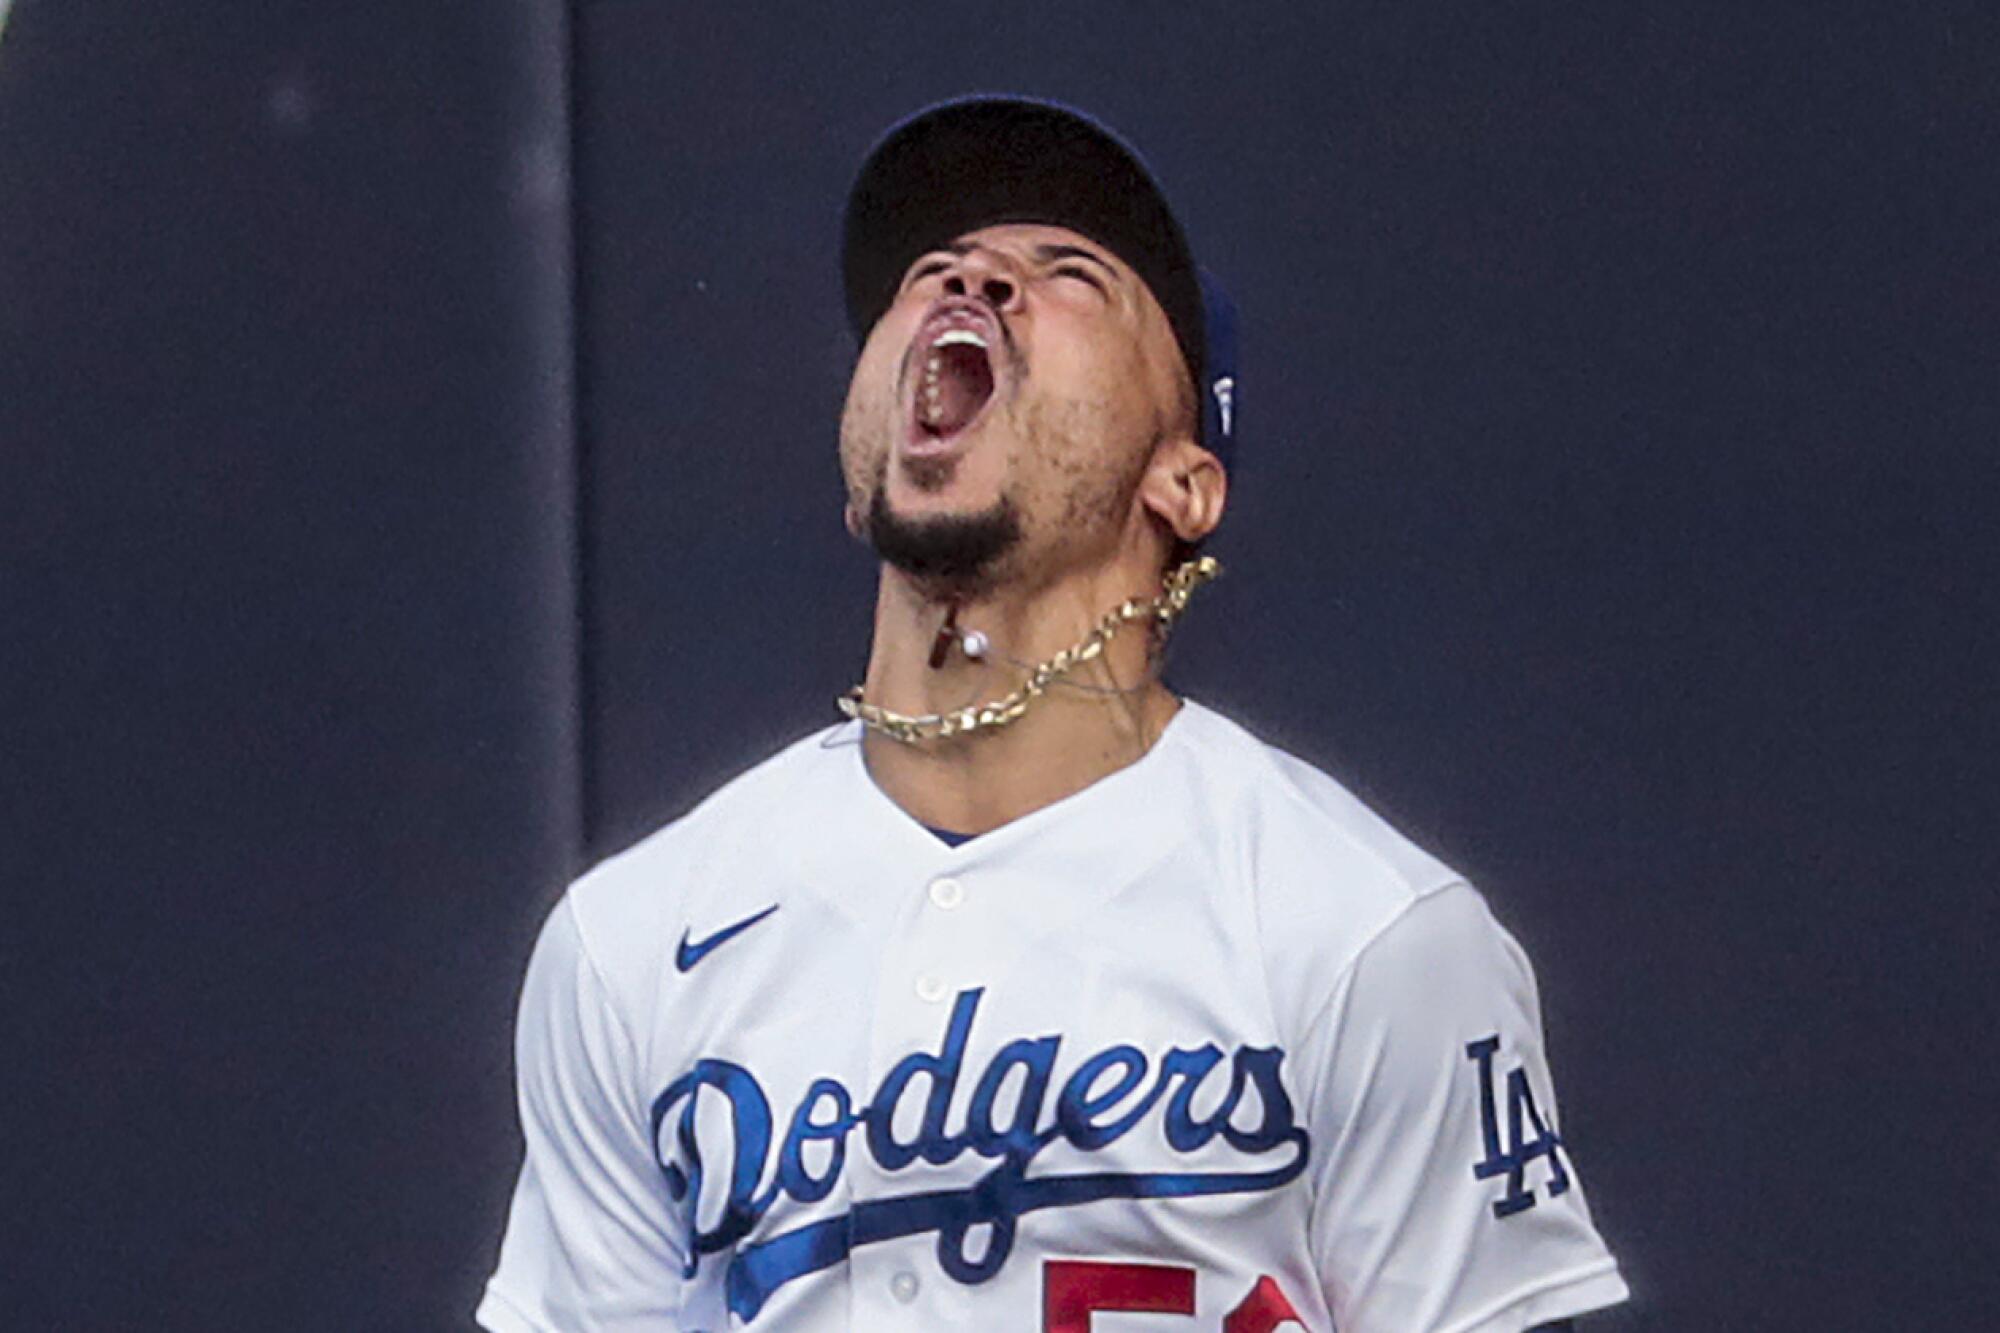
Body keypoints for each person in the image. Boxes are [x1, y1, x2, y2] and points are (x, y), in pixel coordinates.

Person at [477, 96, 1628, 1333]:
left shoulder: (1360, 929)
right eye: (930, 273)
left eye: (1067, 273)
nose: (971, 276)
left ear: (1182, 481)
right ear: (861, 473)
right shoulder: (634, 938)